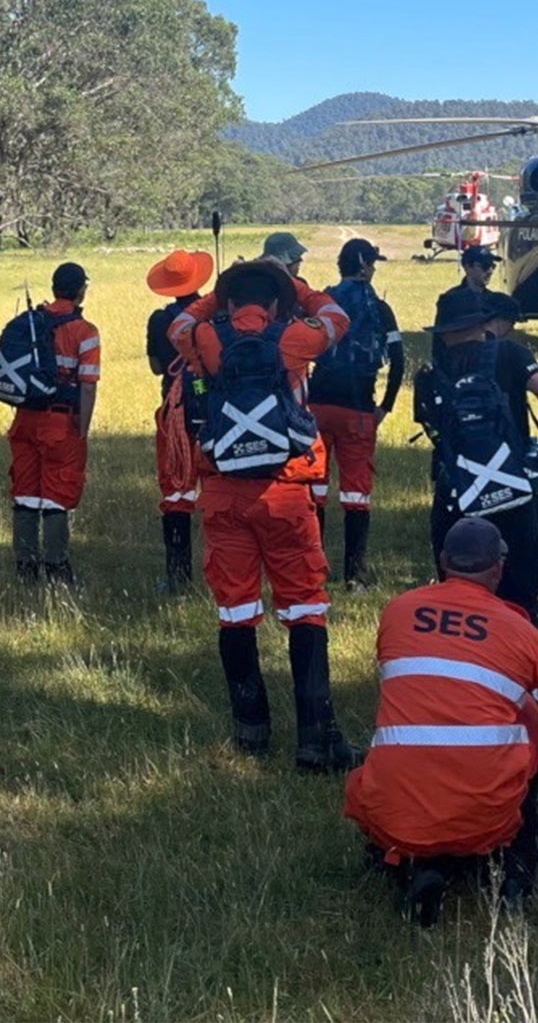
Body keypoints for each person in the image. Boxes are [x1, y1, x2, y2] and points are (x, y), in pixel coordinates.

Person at [343, 517, 538, 926]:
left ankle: (421, 865)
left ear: (443, 561)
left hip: (393, 810)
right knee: (527, 721)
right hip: (486, 815)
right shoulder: (519, 629)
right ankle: (516, 870)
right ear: (499, 568)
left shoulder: (397, 612)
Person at [173, 259, 361, 772]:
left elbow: (179, 325)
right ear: (277, 303)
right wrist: (298, 288)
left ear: (231, 303)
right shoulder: (295, 339)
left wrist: (215, 298)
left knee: (235, 611)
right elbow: (337, 316)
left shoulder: (206, 340)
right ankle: (315, 739)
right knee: (305, 609)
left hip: (224, 493)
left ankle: (251, 731)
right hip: (286, 492)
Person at [416, 289, 538, 626]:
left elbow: (434, 433)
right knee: (523, 596)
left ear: (443, 331)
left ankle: (468, 665)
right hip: (512, 488)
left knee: (457, 593)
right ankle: (526, 664)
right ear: (482, 324)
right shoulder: (510, 353)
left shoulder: (428, 374)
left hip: (458, 495)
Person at [308, 238, 405, 590]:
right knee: (356, 495)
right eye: (373, 263)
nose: (375, 268)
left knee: (314, 490)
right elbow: (399, 362)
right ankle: (355, 575)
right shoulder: (380, 309)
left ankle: (314, 568)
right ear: (364, 265)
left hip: (316, 407)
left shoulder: (324, 303)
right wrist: (385, 406)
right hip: (359, 409)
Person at [9, 262, 100, 586]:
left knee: (25, 491)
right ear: (81, 291)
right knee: (57, 494)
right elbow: (87, 384)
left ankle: (25, 565)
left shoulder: (32, 323)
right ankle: (57, 567)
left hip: (25, 418)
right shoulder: (84, 331)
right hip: (61, 422)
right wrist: (83, 428)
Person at [145, 248, 215, 592]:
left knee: (176, 491)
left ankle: (177, 575)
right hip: (211, 410)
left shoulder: (160, 320)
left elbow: (157, 366)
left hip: (174, 411)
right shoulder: (212, 317)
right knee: (217, 488)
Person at [437, 244, 499, 311]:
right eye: (485, 266)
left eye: (493, 266)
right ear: (468, 268)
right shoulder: (451, 300)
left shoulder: (494, 301)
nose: (490, 271)